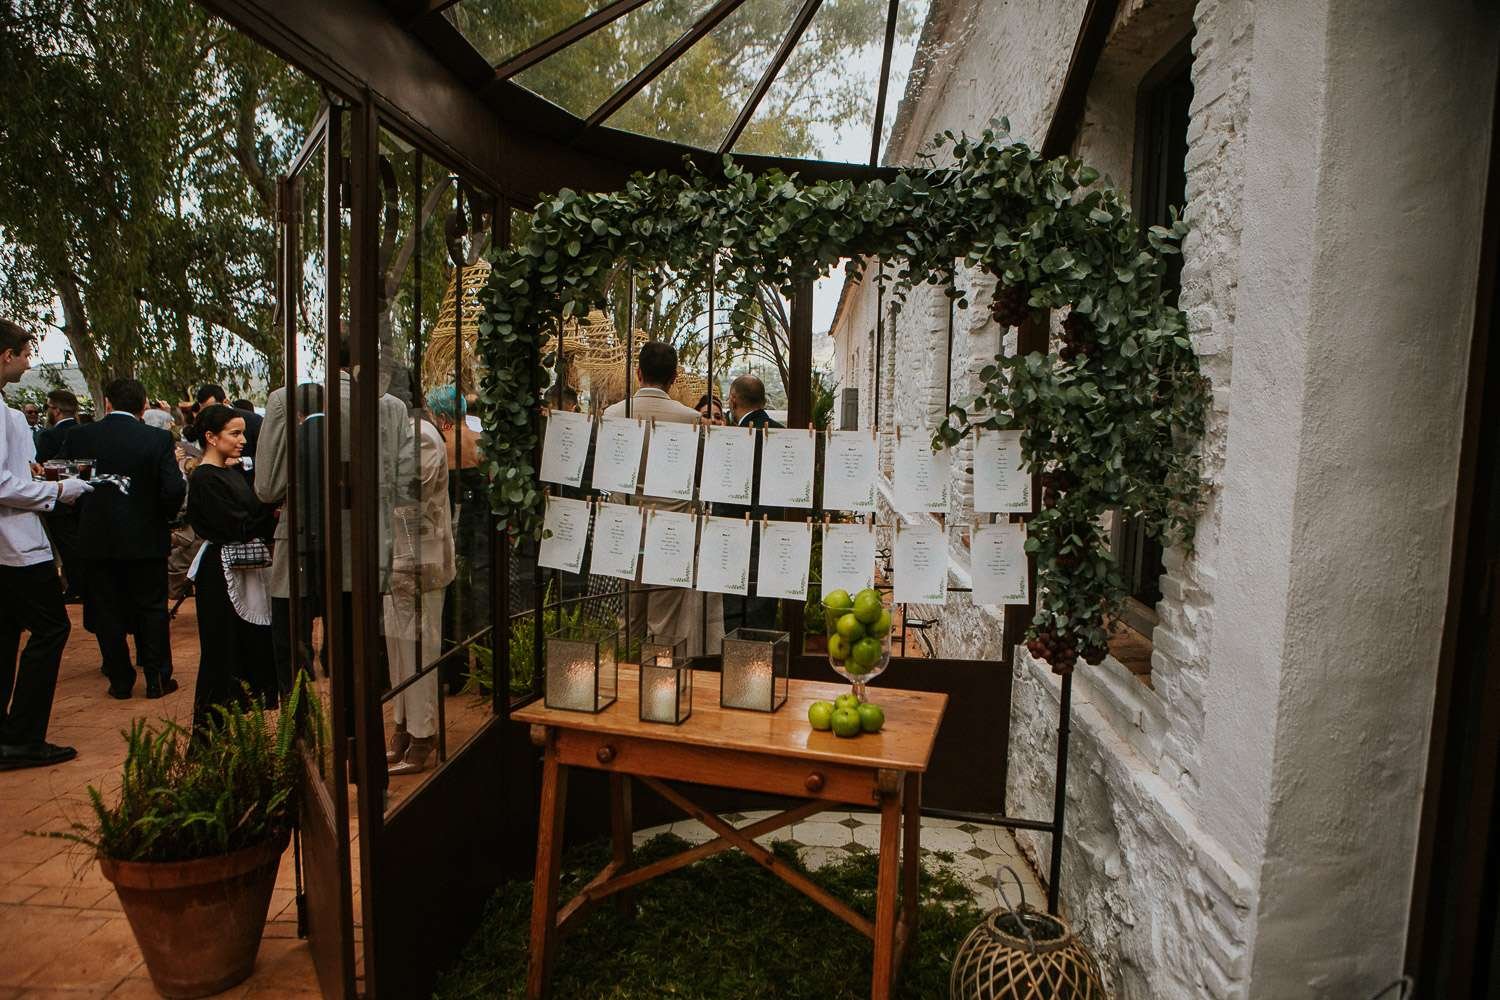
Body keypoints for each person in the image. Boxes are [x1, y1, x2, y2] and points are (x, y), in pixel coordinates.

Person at [62, 377, 186, 699]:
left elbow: (66, 484)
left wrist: (85, 516)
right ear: (144, 406)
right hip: (146, 537)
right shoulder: (157, 438)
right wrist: (162, 516)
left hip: (96, 537)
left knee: (105, 610)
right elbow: (174, 488)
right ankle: (157, 678)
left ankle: (119, 679)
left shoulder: (79, 436)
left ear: (107, 403)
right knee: (152, 608)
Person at [0, 321, 88, 770]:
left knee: (5, 635)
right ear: (6, 356)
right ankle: (23, 737)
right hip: (16, 545)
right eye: (25, 353)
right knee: (52, 629)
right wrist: (58, 491)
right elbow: (1, 484)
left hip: (10, 545)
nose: (28, 362)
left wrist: (32, 474)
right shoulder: (4, 415)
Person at [603, 342, 723, 657]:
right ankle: (657, 680)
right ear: (673, 378)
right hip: (673, 535)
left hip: (624, 532)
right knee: (664, 626)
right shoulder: (690, 419)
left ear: (638, 373)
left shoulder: (612, 415)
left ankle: (626, 676)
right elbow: (702, 475)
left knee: (628, 620)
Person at [185, 404, 278, 726]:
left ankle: (238, 726)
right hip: (221, 572)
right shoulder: (205, 478)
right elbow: (237, 525)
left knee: (241, 647)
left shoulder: (230, 472)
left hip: (243, 567)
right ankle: (212, 731)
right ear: (211, 437)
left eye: (243, 433)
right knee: (222, 649)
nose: (242, 440)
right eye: (235, 433)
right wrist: (269, 509)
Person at [383, 394, 454, 774]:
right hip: (396, 560)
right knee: (398, 651)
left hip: (420, 560)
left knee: (420, 650)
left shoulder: (422, 435)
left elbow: (413, 493)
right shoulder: (397, 433)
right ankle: (404, 726)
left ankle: (423, 734)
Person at [432, 386, 489, 694]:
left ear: (442, 415)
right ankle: (487, 667)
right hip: (479, 524)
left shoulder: (440, 443)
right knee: (481, 597)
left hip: (449, 524)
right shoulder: (480, 440)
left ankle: (455, 672)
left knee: (452, 599)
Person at [726, 373, 783, 630]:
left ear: (733, 400)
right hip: (776, 532)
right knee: (764, 611)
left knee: (734, 612)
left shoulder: (733, 439)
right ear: (763, 400)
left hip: (737, 533)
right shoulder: (783, 434)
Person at [34, 389, 83, 601]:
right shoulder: (86, 431)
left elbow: (43, 468)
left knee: (66, 548)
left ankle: (75, 587)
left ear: (55, 410)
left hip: (59, 499)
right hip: (84, 498)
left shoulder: (48, 436)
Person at [186, 384, 261, 461]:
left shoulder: (253, 420)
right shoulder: (203, 422)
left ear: (225, 402)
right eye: (204, 410)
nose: (208, 413)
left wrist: (241, 460)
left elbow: (265, 457)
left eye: (213, 408)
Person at [34, 389, 78, 460]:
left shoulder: (48, 436)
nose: (46, 411)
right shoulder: (87, 432)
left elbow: (41, 464)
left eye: (46, 407)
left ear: (57, 410)